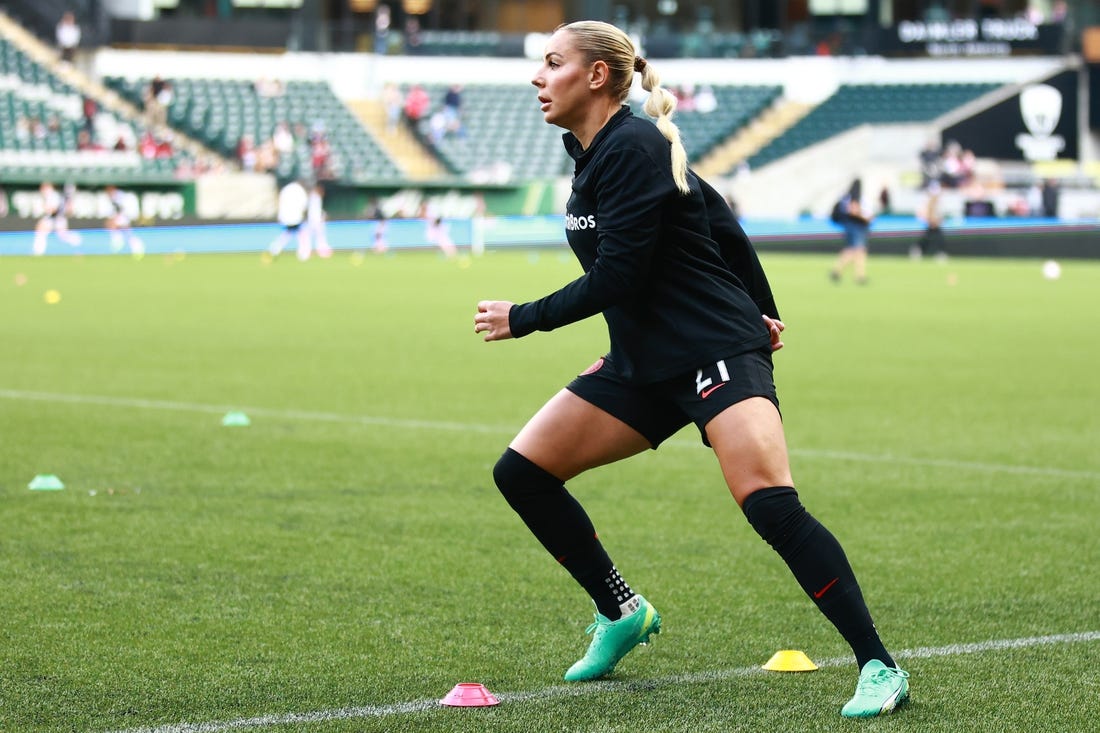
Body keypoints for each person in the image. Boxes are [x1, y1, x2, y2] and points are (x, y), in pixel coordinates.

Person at [473, 20, 908, 720]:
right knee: (522, 471)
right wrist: (750, 311)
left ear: (596, 77)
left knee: (767, 500)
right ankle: (621, 609)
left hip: (712, 347)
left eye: (552, 63)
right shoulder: (598, 152)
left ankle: (880, 664)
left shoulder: (635, 144)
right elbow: (716, 219)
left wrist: (523, 315)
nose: (537, 77)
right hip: (646, 361)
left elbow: (620, 272)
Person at [829, 178, 873, 285]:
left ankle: (838, 270)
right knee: (859, 251)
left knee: (852, 250)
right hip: (856, 226)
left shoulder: (845, 197)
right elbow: (853, 211)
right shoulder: (855, 197)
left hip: (848, 226)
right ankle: (859, 275)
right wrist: (866, 218)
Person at [32, 182, 82, 255]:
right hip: (53, 218)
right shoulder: (49, 196)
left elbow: (54, 209)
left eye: (44, 188)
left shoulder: (52, 195)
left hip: (57, 218)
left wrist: (47, 209)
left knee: (63, 236)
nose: (42, 190)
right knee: (41, 232)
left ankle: (78, 242)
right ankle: (38, 251)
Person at [268, 179, 309, 261]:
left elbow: (280, 202)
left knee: (288, 234)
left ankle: (274, 249)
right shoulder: (300, 190)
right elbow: (304, 204)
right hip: (295, 217)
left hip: (285, 217)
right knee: (301, 235)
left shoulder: (285, 189)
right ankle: (303, 254)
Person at [103, 185, 145, 257]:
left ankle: (134, 245)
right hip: (122, 215)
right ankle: (119, 243)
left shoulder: (118, 196)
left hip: (124, 215)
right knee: (121, 230)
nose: (108, 193)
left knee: (123, 230)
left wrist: (115, 218)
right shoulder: (115, 196)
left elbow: (120, 208)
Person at [305, 183, 332, 259]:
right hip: (315, 221)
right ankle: (319, 251)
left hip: (314, 220)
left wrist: (323, 214)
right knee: (318, 236)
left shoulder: (314, 197)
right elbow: (314, 210)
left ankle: (317, 251)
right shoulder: (315, 197)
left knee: (317, 236)